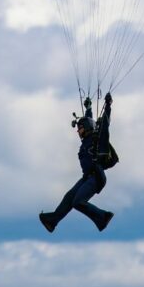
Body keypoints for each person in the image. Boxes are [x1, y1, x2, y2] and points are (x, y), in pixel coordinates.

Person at [39, 92, 115, 233]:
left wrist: (108, 106)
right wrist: (88, 107)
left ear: (86, 128)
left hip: (96, 176)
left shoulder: (98, 139)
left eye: (79, 128)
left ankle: (104, 216)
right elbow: (89, 119)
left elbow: (105, 124)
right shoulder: (87, 140)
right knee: (69, 197)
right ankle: (52, 221)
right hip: (87, 177)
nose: (78, 131)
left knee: (78, 202)